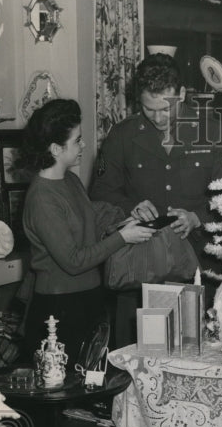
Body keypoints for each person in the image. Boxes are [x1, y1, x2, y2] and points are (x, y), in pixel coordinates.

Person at [89, 52, 222, 344]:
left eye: (166, 108)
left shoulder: (212, 131)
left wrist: (197, 217)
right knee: (137, 356)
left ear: (181, 93)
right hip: (140, 270)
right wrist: (130, 208)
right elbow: (100, 192)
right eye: (148, 109)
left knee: (199, 351)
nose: (158, 118)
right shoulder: (122, 135)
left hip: (200, 266)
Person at [18, 98, 155, 361]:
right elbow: (74, 261)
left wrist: (126, 220)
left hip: (88, 300)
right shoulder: (42, 198)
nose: (83, 145)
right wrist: (122, 238)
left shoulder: (69, 179)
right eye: (77, 140)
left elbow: (90, 222)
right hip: (58, 310)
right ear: (56, 149)